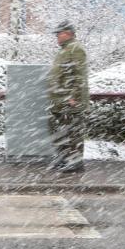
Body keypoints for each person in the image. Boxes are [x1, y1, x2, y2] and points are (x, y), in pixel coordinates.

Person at [47, 21, 89, 173]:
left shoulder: (76, 49)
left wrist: (74, 97)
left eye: (59, 33)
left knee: (73, 132)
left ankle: (75, 162)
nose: (57, 36)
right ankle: (64, 158)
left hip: (70, 101)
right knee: (60, 131)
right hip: (60, 101)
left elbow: (79, 76)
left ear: (68, 33)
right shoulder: (65, 50)